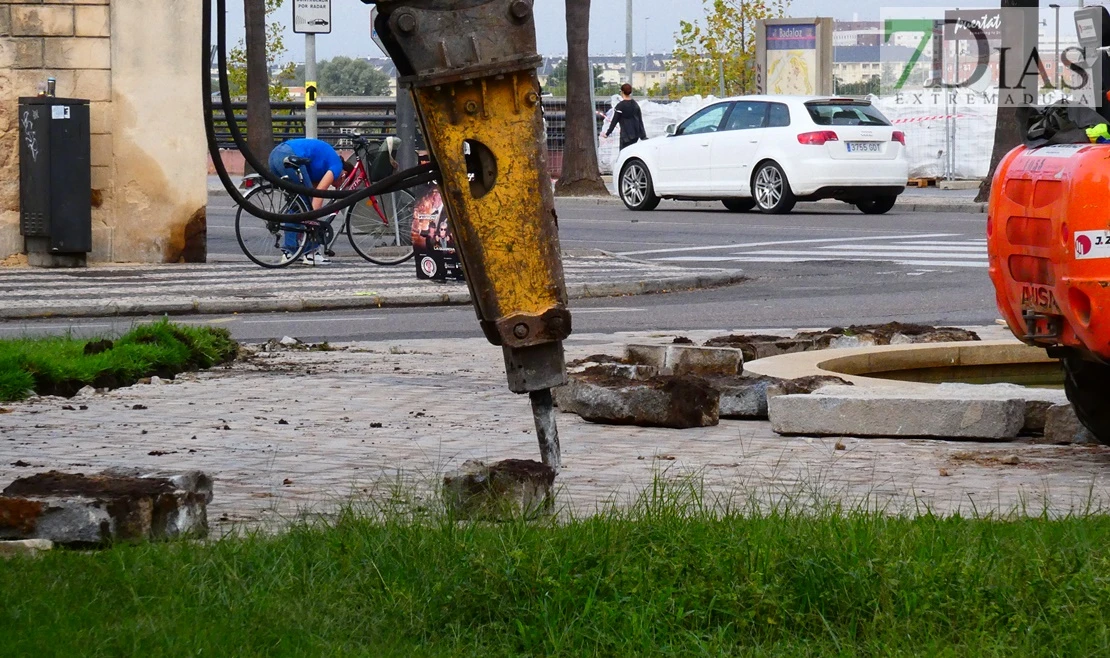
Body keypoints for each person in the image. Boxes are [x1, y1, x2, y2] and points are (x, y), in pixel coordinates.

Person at [268, 138, 345, 265]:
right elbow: (319, 193)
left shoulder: (320, 166)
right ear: (344, 175)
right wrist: (311, 221)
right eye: (339, 185)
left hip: (275, 155)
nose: (336, 187)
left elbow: (312, 189)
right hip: (290, 154)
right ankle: (311, 252)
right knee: (306, 206)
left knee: (298, 205)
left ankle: (290, 252)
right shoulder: (337, 165)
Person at [604, 83, 647, 150]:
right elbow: (640, 121)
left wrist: (607, 133)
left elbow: (614, 121)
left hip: (625, 136)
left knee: (623, 154)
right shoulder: (635, 105)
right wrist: (643, 136)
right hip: (635, 136)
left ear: (622, 92)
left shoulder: (620, 106)